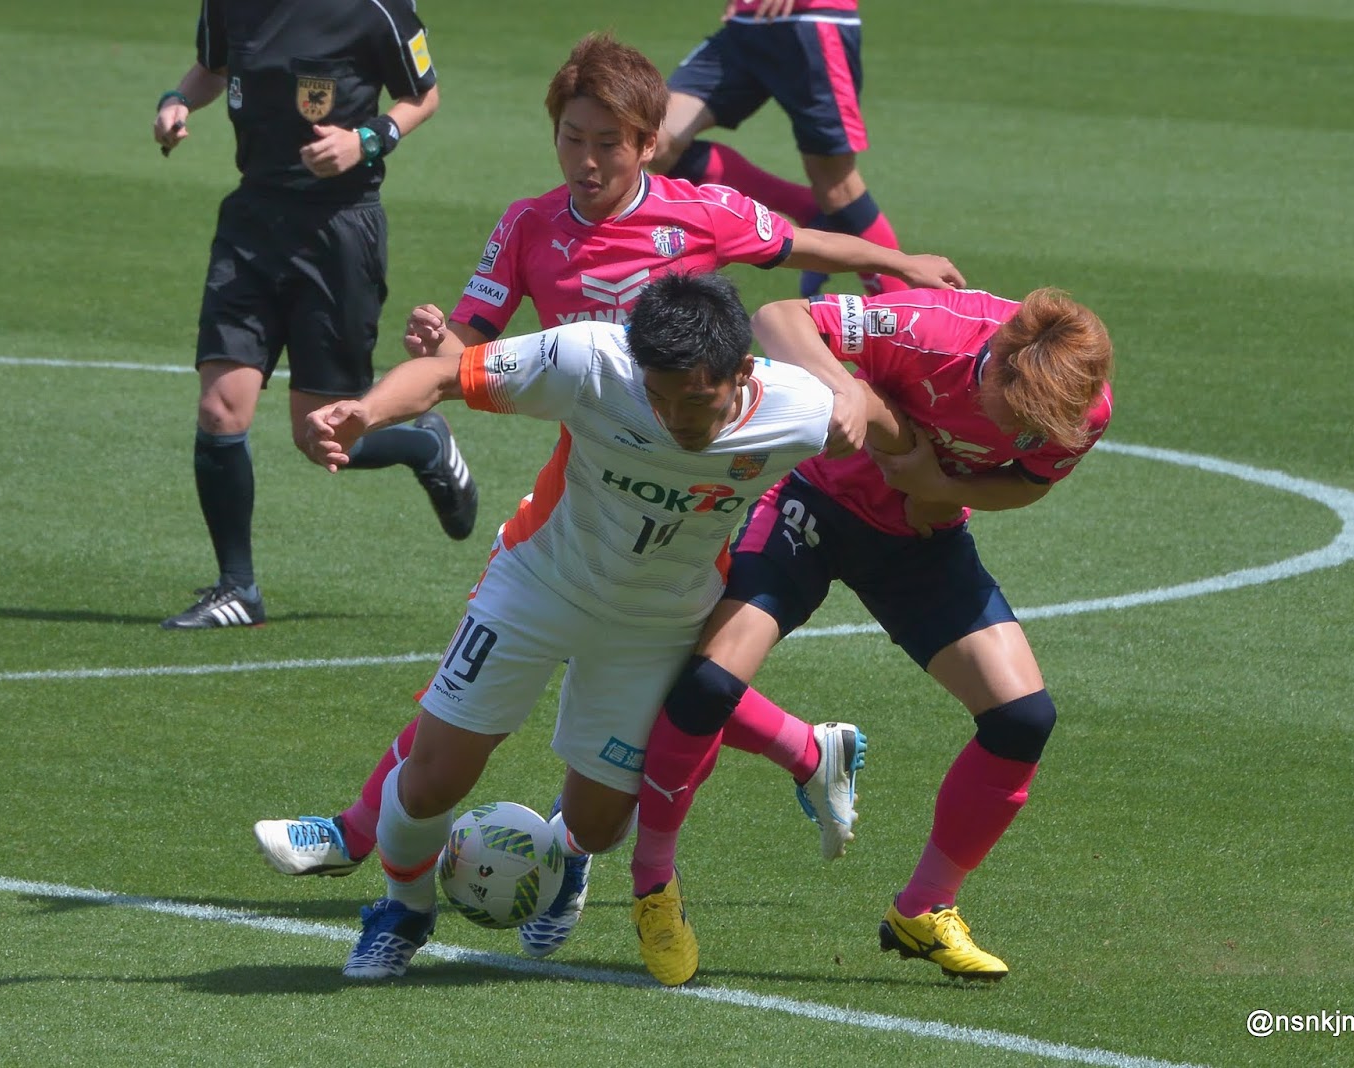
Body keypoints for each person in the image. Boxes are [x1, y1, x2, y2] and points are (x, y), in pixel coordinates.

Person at [252, 31, 963, 958]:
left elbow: (798, 243)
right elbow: (463, 348)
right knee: (451, 748)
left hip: (693, 486)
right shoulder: (536, 239)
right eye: (571, 139)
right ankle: (383, 871)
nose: (586, 162)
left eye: (607, 144)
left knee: (634, 729)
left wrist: (897, 267)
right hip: (587, 462)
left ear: (648, 143)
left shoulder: (701, 219)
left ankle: (613, 834)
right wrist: (420, 362)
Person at [303, 271, 911, 979]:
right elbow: (443, 376)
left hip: (656, 623)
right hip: (536, 586)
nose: (675, 418)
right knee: (432, 779)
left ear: (743, 372)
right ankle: (403, 910)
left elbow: (891, 428)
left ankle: (565, 866)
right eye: (658, 396)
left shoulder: (798, 408)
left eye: (696, 400)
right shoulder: (588, 360)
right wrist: (366, 412)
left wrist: (857, 406)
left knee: (596, 827)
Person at [627, 286, 1114, 986]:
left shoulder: (1078, 406)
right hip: (812, 507)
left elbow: (1029, 484)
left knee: (1022, 720)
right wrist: (844, 390)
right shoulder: (930, 330)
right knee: (707, 684)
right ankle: (653, 887)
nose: (1023, 431)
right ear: (998, 364)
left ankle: (924, 908)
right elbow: (778, 317)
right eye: (1016, 416)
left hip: (919, 537)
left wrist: (941, 487)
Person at [153, 0, 478, 630]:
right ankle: (238, 589)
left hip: (338, 234)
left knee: (320, 435)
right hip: (251, 224)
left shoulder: (375, 9)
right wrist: (178, 101)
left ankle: (425, 445)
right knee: (220, 408)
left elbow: (423, 96)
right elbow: (212, 69)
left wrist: (366, 140)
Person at [650, 0, 906, 299]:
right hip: (746, 26)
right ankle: (809, 210)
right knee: (654, 140)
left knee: (837, 188)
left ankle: (906, 309)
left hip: (811, 22)